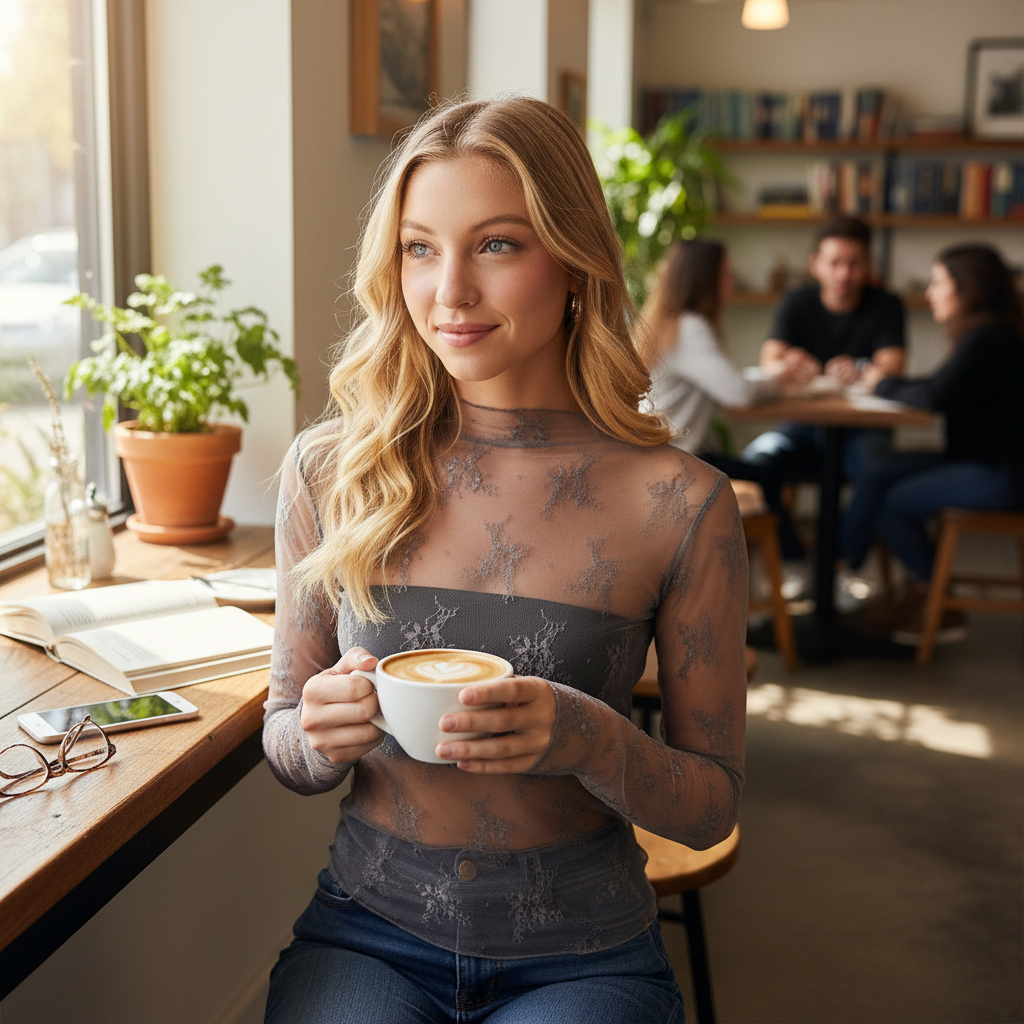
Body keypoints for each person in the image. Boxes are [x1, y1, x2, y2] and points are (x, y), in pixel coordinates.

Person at [262, 97, 747, 1024]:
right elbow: (285, 738)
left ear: (574, 261)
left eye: (496, 244)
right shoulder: (329, 470)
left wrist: (592, 739)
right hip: (365, 932)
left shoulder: (682, 503)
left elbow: (711, 805)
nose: (449, 291)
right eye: (419, 247)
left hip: (586, 954)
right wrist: (316, 738)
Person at [842, 243, 1024, 644]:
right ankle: (846, 572)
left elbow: (935, 397)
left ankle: (937, 603)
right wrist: (886, 383)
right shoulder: (986, 334)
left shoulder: (986, 338)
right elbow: (938, 387)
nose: (929, 293)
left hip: (998, 475)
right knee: (876, 470)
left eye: (939, 283)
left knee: (889, 502)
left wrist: (881, 383)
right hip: (978, 461)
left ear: (968, 288)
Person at [739, 216, 906, 581]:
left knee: (878, 472)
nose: (844, 274)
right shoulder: (797, 301)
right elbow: (769, 360)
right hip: (803, 428)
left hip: (865, 430)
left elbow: (894, 365)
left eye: (854, 263)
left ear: (868, 265)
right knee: (755, 463)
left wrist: (861, 368)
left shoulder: (886, 304)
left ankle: (843, 569)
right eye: (834, 262)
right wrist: (790, 362)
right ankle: (794, 561)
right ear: (815, 264)